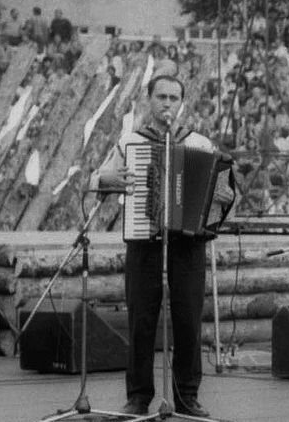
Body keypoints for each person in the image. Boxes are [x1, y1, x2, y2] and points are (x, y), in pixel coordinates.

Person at [95, 76, 225, 417]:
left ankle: (187, 396)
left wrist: (220, 198)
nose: (167, 103)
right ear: (149, 100)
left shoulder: (198, 142)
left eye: (174, 97)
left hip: (187, 244)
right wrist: (107, 180)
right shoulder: (130, 142)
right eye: (161, 97)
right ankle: (138, 396)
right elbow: (101, 179)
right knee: (141, 319)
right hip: (144, 239)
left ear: (182, 101)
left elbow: (221, 188)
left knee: (188, 320)